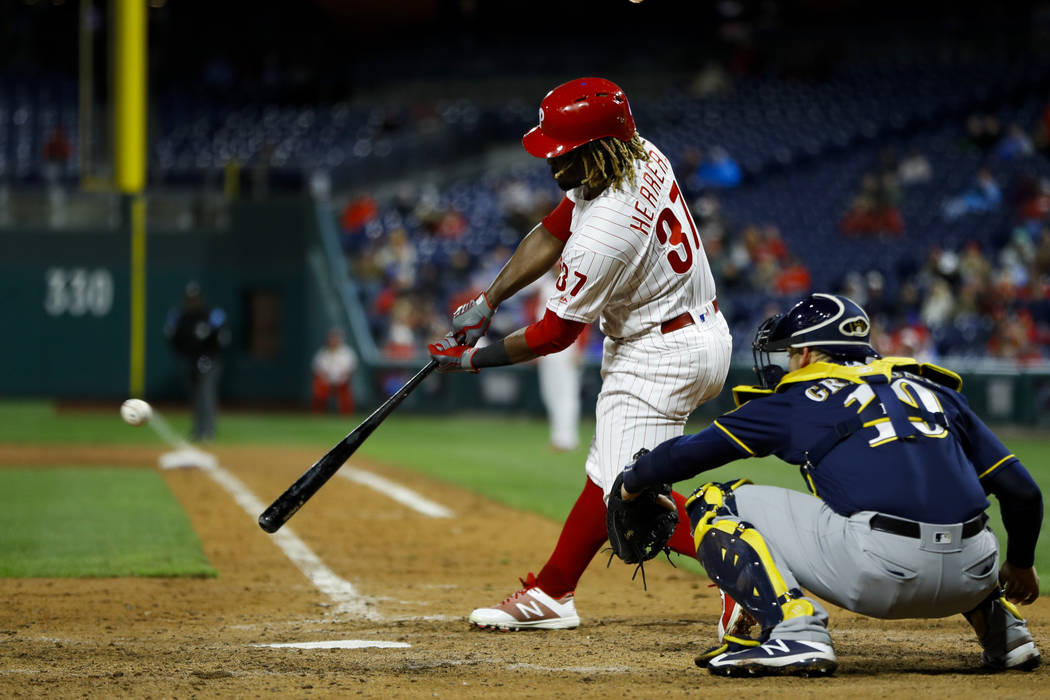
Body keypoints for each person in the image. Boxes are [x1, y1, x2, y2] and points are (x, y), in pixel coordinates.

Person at [427, 77, 733, 630]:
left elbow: (554, 335)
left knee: (630, 492)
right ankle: (551, 593)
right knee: (607, 475)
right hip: (692, 331)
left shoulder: (608, 228)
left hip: (659, 352)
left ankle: (745, 568)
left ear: (595, 148)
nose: (550, 162)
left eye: (560, 152)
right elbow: (551, 229)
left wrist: (472, 361)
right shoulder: (633, 152)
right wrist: (487, 300)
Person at [617, 293, 1042, 676]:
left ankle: (795, 632)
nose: (786, 362)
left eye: (790, 353)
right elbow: (1023, 493)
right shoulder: (934, 390)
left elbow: (690, 453)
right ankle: (1005, 632)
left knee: (717, 500)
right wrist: (1020, 564)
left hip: (880, 574)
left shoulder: (801, 397)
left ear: (808, 353)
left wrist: (632, 483)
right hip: (974, 572)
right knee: (951, 510)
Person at [164, 282, 230, 441]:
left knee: (206, 394)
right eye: (190, 298)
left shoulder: (211, 315)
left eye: (195, 298)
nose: (193, 301)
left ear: (201, 299)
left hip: (210, 362)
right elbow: (173, 340)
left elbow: (222, 339)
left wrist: (208, 358)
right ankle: (198, 429)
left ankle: (208, 430)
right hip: (190, 362)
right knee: (194, 396)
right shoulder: (180, 317)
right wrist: (185, 358)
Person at [311, 327, 358, 415]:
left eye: (336, 338)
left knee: (346, 396)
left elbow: (350, 369)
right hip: (325, 381)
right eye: (332, 338)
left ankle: (347, 416)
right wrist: (326, 379)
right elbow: (317, 369)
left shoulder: (347, 353)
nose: (334, 340)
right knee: (319, 390)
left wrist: (341, 378)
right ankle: (317, 415)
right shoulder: (322, 353)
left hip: (342, 382)